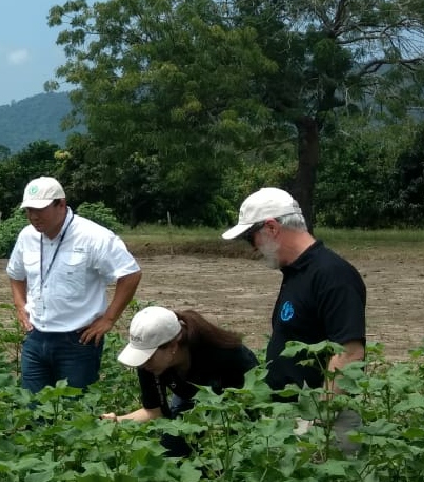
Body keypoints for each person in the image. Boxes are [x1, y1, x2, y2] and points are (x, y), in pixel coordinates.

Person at [222, 187, 366, 449]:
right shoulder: (297, 272)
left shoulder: (332, 274)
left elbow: (350, 352)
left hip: (321, 422)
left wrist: (320, 421)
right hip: (293, 417)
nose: (253, 248)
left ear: (272, 228)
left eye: (251, 238)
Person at [7, 177, 142, 394]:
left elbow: (130, 274)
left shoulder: (93, 236)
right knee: (31, 406)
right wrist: (19, 305)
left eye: (40, 209)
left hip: (78, 341)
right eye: (29, 210)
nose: (33, 216)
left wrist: (108, 319)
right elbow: (15, 274)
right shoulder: (27, 236)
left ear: (61, 204)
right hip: (36, 337)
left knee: (75, 410)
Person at [102, 306, 259, 456]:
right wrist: (115, 421)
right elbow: (154, 412)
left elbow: (252, 405)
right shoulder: (148, 363)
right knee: (170, 450)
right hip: (191, 401)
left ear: (173, 346)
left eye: (148, 357)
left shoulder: (226, 356)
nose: (143, 364)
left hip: (231, 407)